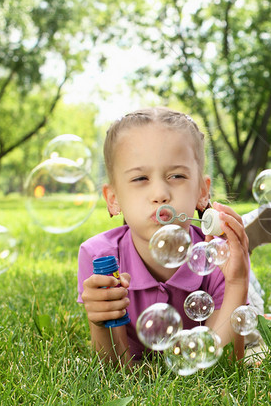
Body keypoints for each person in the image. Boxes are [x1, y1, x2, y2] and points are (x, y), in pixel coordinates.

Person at [77, 107, 250, 366]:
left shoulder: (216, 258)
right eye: (140, 178)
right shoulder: (100, 256)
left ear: (203, 192)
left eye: (176, 176)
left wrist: (238, 281)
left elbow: (224, 364)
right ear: (113, 199)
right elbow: (113, 368)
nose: (160, 193)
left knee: (252, 306)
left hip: (230, 268)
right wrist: (101, 320)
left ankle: (252, 275)